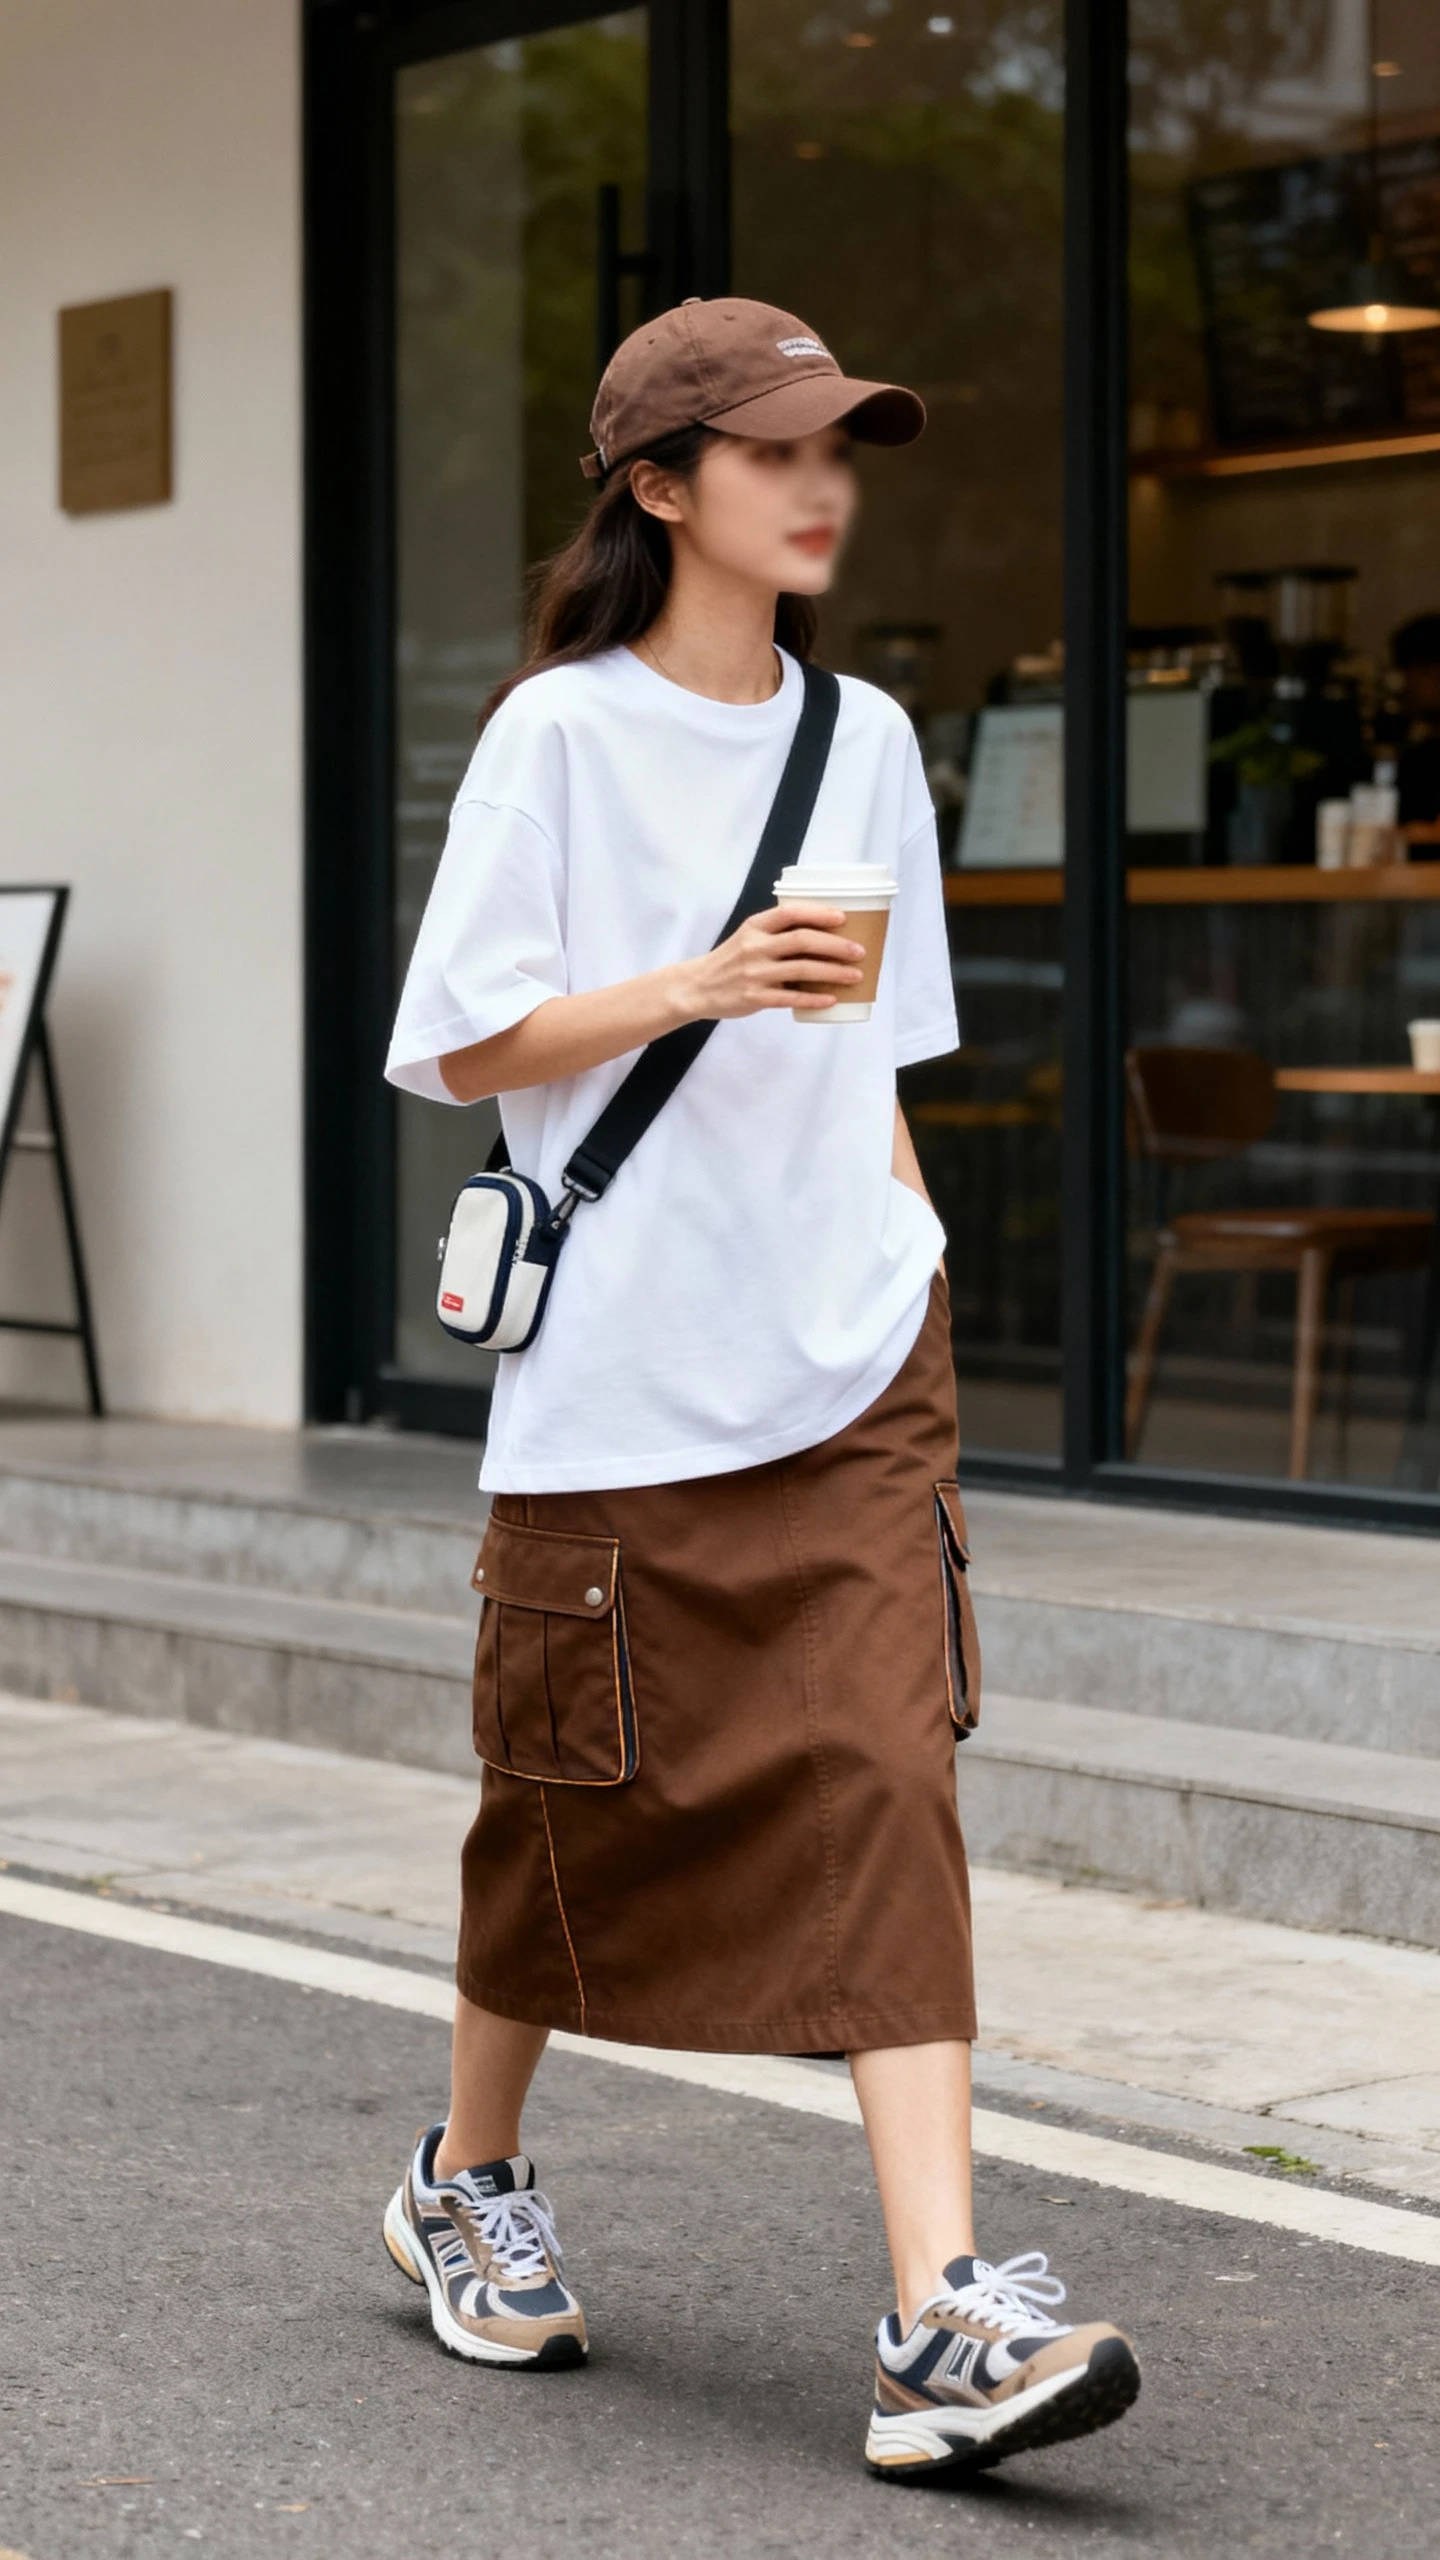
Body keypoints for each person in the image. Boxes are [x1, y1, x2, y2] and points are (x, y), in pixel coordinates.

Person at [382, 296, 1140, 2480]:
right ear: (658, 484)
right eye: (780, 448)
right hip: (621, 1370)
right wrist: (698, 975)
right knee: (567, 1809)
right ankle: (472, 2172)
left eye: (845, 447)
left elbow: (875, 1069)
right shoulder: (557, 739)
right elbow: (465, 1038)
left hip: (848, 1360)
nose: (826, 483)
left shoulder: (870, 737)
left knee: (893, 1782)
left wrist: (909, 1295)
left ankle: (937, 2318)